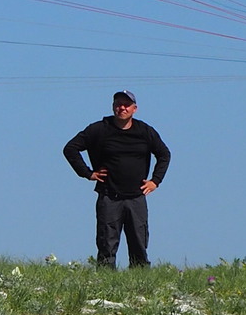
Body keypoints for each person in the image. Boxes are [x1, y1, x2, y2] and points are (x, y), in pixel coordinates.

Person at [63, 91, 172, 269]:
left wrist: (155, 180)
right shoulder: (99, 129)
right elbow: (70, 149)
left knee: (139, 244)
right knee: (107, 244)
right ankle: (105, 283)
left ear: (134, 109)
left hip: (136, 197)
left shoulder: (144, 131)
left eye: (126, 105)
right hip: (109, 196)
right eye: (118, 104)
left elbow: (164, 154)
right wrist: (87, 173)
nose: (122, 108)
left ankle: (141, 284)